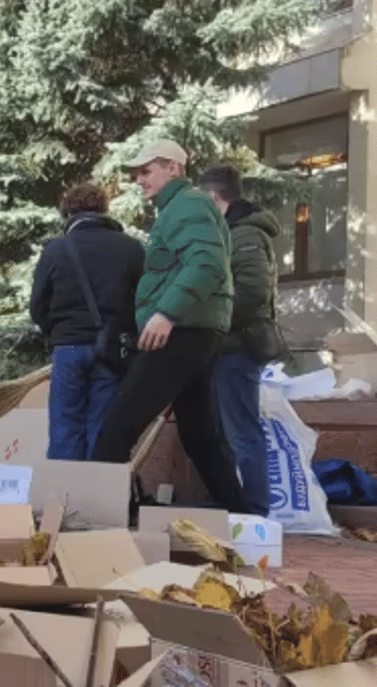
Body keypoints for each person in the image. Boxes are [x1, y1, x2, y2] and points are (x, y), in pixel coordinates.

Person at [89, 140, 252, 514]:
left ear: (173, 168)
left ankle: (98, 524)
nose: (138, 180)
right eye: (136, 173)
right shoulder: (184, 206)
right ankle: (245, 523)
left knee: (116, 429)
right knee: (200, 437)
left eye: (146, 171)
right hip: (195, 332)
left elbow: (207, 265)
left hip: (180, 333)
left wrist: (166, 314)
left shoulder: (187, 205)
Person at [29, 183, 145, 460]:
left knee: (65, 428)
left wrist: (56, 332)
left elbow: (37, 306)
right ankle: (99, 499)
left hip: (68, 347)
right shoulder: (131, 248)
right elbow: (145, 300)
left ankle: (65, 500)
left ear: (68, 213)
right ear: (105, 210)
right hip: (112, 350)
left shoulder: (56, 250)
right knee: (102, 429)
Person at [200, 164, 284, 517]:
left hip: (237, 348)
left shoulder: (244, 235)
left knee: (242, 433)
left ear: (216, 197)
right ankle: (237, 507)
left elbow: (250, 293)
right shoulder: (232, 232)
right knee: (229, 432)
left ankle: (254, 513)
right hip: (227, 347)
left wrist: (210, 320)